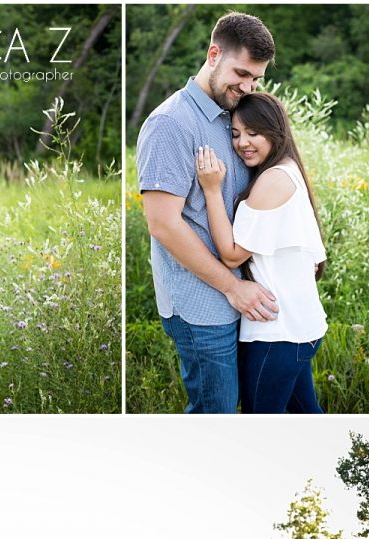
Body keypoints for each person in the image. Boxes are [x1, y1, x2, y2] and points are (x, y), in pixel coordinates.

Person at [137, 12, 280, 413]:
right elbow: (163, 224)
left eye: (256, 79)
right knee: (214, 415)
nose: (248, 86)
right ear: (213, 54)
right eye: (241, 73)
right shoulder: (170, 123)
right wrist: (233, 287)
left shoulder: (235, 117)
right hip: (203, 303)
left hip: (241, 294)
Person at [195, 92, 327, 413]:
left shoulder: (273, 180)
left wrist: (211, 189)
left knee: (259, 425)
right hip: (296, 329)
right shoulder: (288, 168)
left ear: (275, 131)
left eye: (253, 133)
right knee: (305, 417)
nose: (243, 143)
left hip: (276, 335)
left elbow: (231, 255)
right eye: (236, 134)